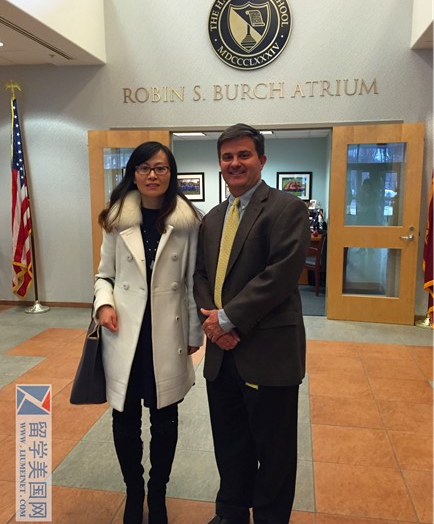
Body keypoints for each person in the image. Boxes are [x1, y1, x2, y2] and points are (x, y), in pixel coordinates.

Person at [193, 124, 310, 524]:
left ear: (261, 160)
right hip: (221, 355)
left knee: (274, 452)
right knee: (230, 442)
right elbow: (201, 275)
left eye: (243, 155)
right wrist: (213, 323)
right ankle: (230, 513)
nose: (235, 163)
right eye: (227, 157)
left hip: (268, 352)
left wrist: (227, 320)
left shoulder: (286, 209)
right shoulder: (212, 218)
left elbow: (281, 275)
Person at [94, 141, 203, 524]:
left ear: (171, 174)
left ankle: (158, 494)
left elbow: (191, 284)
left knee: (165, 420)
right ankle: (133, 492)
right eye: (144, 168)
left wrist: (194, 332)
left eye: (160, 168)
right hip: (126, 334)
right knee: (124, 421)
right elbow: (104, 275)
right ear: (133, 174)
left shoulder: (188, 222)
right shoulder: (117, 219)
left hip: (166, 336)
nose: (152, 175)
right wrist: (103, 304)